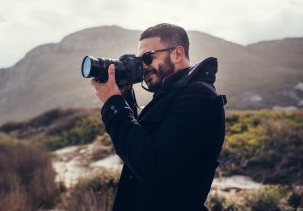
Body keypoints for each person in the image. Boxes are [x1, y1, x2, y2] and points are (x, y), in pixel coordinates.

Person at [90, 23, 226, 211]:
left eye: (147, 57)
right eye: (139, 61)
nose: (143, 67)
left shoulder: (199, 98)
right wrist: (123, 96)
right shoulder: (172, 95)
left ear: (177, 54)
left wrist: (113, 103)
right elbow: (140, 142)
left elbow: (149, 164)